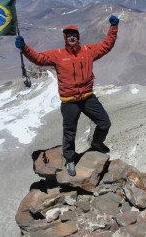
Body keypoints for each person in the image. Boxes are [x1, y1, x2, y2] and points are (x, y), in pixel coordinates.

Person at [15, 15, 120, 176]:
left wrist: (113, 28)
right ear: (65, 38)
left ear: (78, 37)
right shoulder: (57, 54)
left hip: (87, 97)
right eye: (68, 35)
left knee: (104, 123)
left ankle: (97, 143)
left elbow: (106, 45)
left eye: (74, 35)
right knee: (70, 133)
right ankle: (70, 159)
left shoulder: (88, 51)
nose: (72, 37)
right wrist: (24, 48)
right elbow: (39, 58)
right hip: (69, 102)